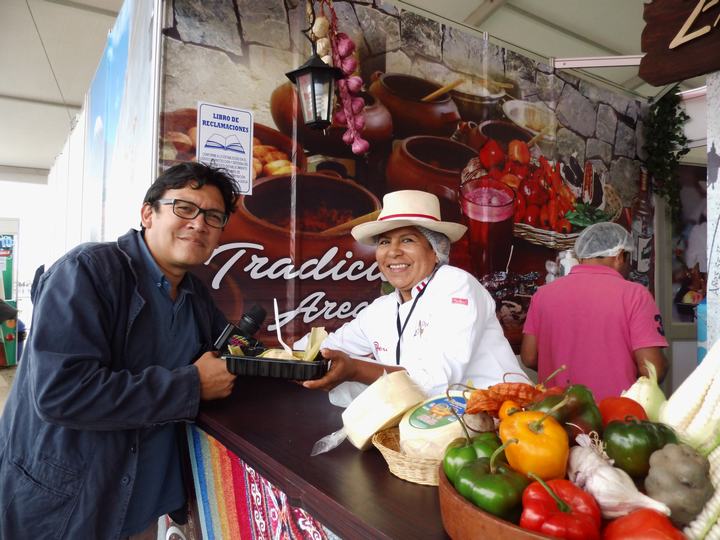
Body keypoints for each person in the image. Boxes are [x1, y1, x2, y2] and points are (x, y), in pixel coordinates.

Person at [0, 162, 239, 539]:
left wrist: (309, 362)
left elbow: (233, 349)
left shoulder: (194, 296)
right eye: (184, 208)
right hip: (71, 504)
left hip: (143, 503)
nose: (199, 223)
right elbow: (61, 392)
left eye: (213, 216)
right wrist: (191, 385)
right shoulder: (87, 271)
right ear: (148, 214)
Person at [302, 190, 524, 397]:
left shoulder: (455, 284)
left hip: (504, 416)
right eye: (384, 242)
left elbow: (434, 382)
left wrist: (356, 370)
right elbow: (325, 349)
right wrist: (288, 357)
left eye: (407, 240)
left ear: (436, 251)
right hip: (436, 421)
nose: (393, 252)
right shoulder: (381, 310)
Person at [520, 222, 668, 401]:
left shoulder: (543, 294)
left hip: (555, 411)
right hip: (615, 413)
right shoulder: (635, 295)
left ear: (582, 255)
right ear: (619, 255)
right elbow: (652, 369)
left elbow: (529, 357)